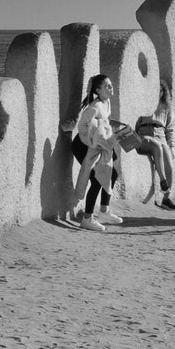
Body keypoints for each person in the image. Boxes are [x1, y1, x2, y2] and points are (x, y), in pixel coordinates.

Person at [68, 74, 123, 232]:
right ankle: (87, 219)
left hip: (99, 144)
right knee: (97, 179)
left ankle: (104, 210)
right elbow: (82, 126)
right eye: (107, 86)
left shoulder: (107, 102)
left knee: (113, 172)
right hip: (83, 145)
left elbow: (104, 121)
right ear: (98, 90)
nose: (111, 88)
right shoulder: (95, 106)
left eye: (110, 85)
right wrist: (93, 140)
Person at [133, 80, 175, 210]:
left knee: (169, 165)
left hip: (161, 135)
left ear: (163, 92)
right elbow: (136, 122)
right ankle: (163, 181)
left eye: (160, 90)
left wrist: (171, 146)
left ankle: (166, 198)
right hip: (145, 133)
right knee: (156, 145)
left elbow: (170, 129)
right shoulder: (144, 102)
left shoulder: (167, 107)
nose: (157, 92)